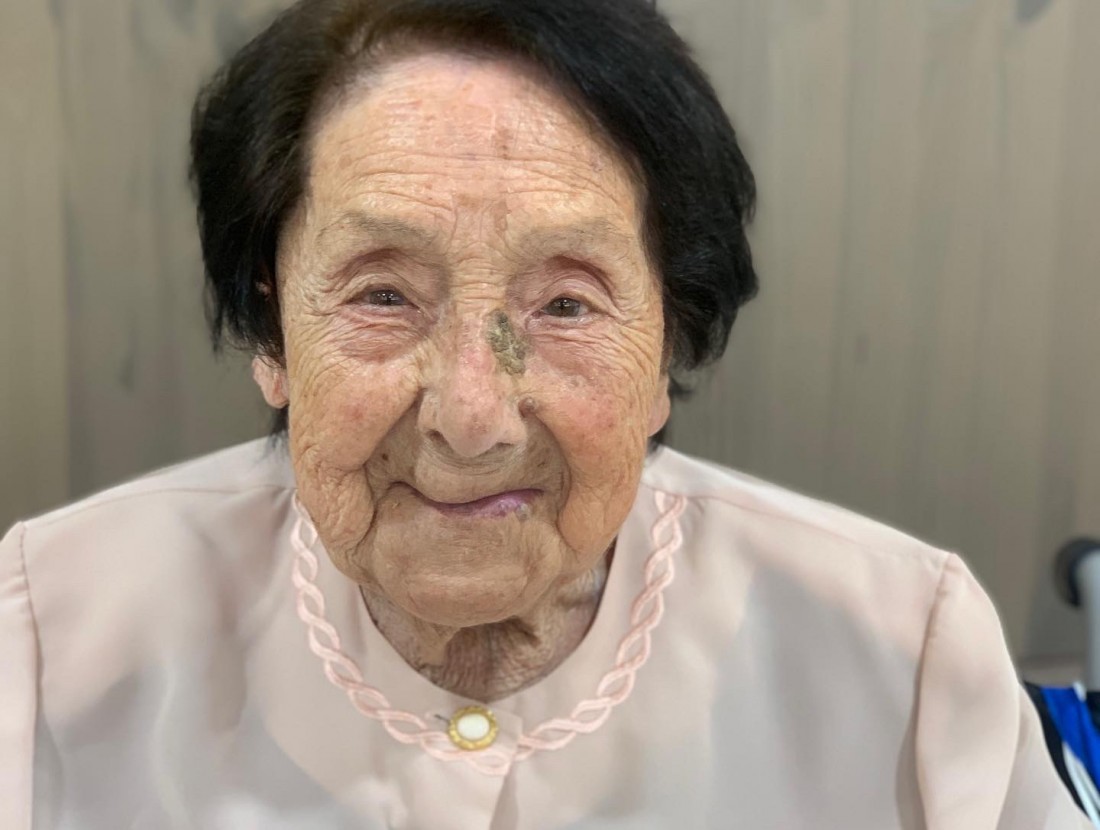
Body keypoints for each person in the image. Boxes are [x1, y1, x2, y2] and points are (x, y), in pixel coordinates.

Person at [0, 0, 1086, 827]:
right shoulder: (50, 633)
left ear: (666, 346)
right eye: (383, 295)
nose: (471, 418)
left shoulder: (902, 656)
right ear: (273, 334)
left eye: (565, 304)